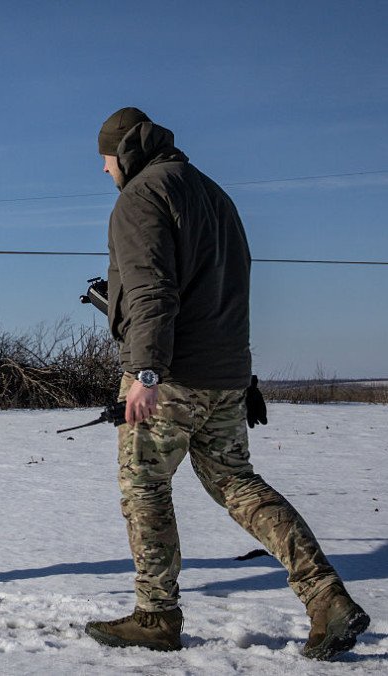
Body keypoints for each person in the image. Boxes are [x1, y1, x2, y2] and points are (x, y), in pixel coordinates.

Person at [83, 108, 369, 659]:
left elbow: (151, 293)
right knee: (237, 483)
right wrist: (243, 374)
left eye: (106, 159)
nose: (104, 170)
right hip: (227, 377)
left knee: (144, 485)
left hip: (169, 379)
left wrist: (145, 373)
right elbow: (225, 296)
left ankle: (156, 616)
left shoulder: (140, 198)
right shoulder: (215, 195)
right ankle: (326, 598)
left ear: (127, 153)